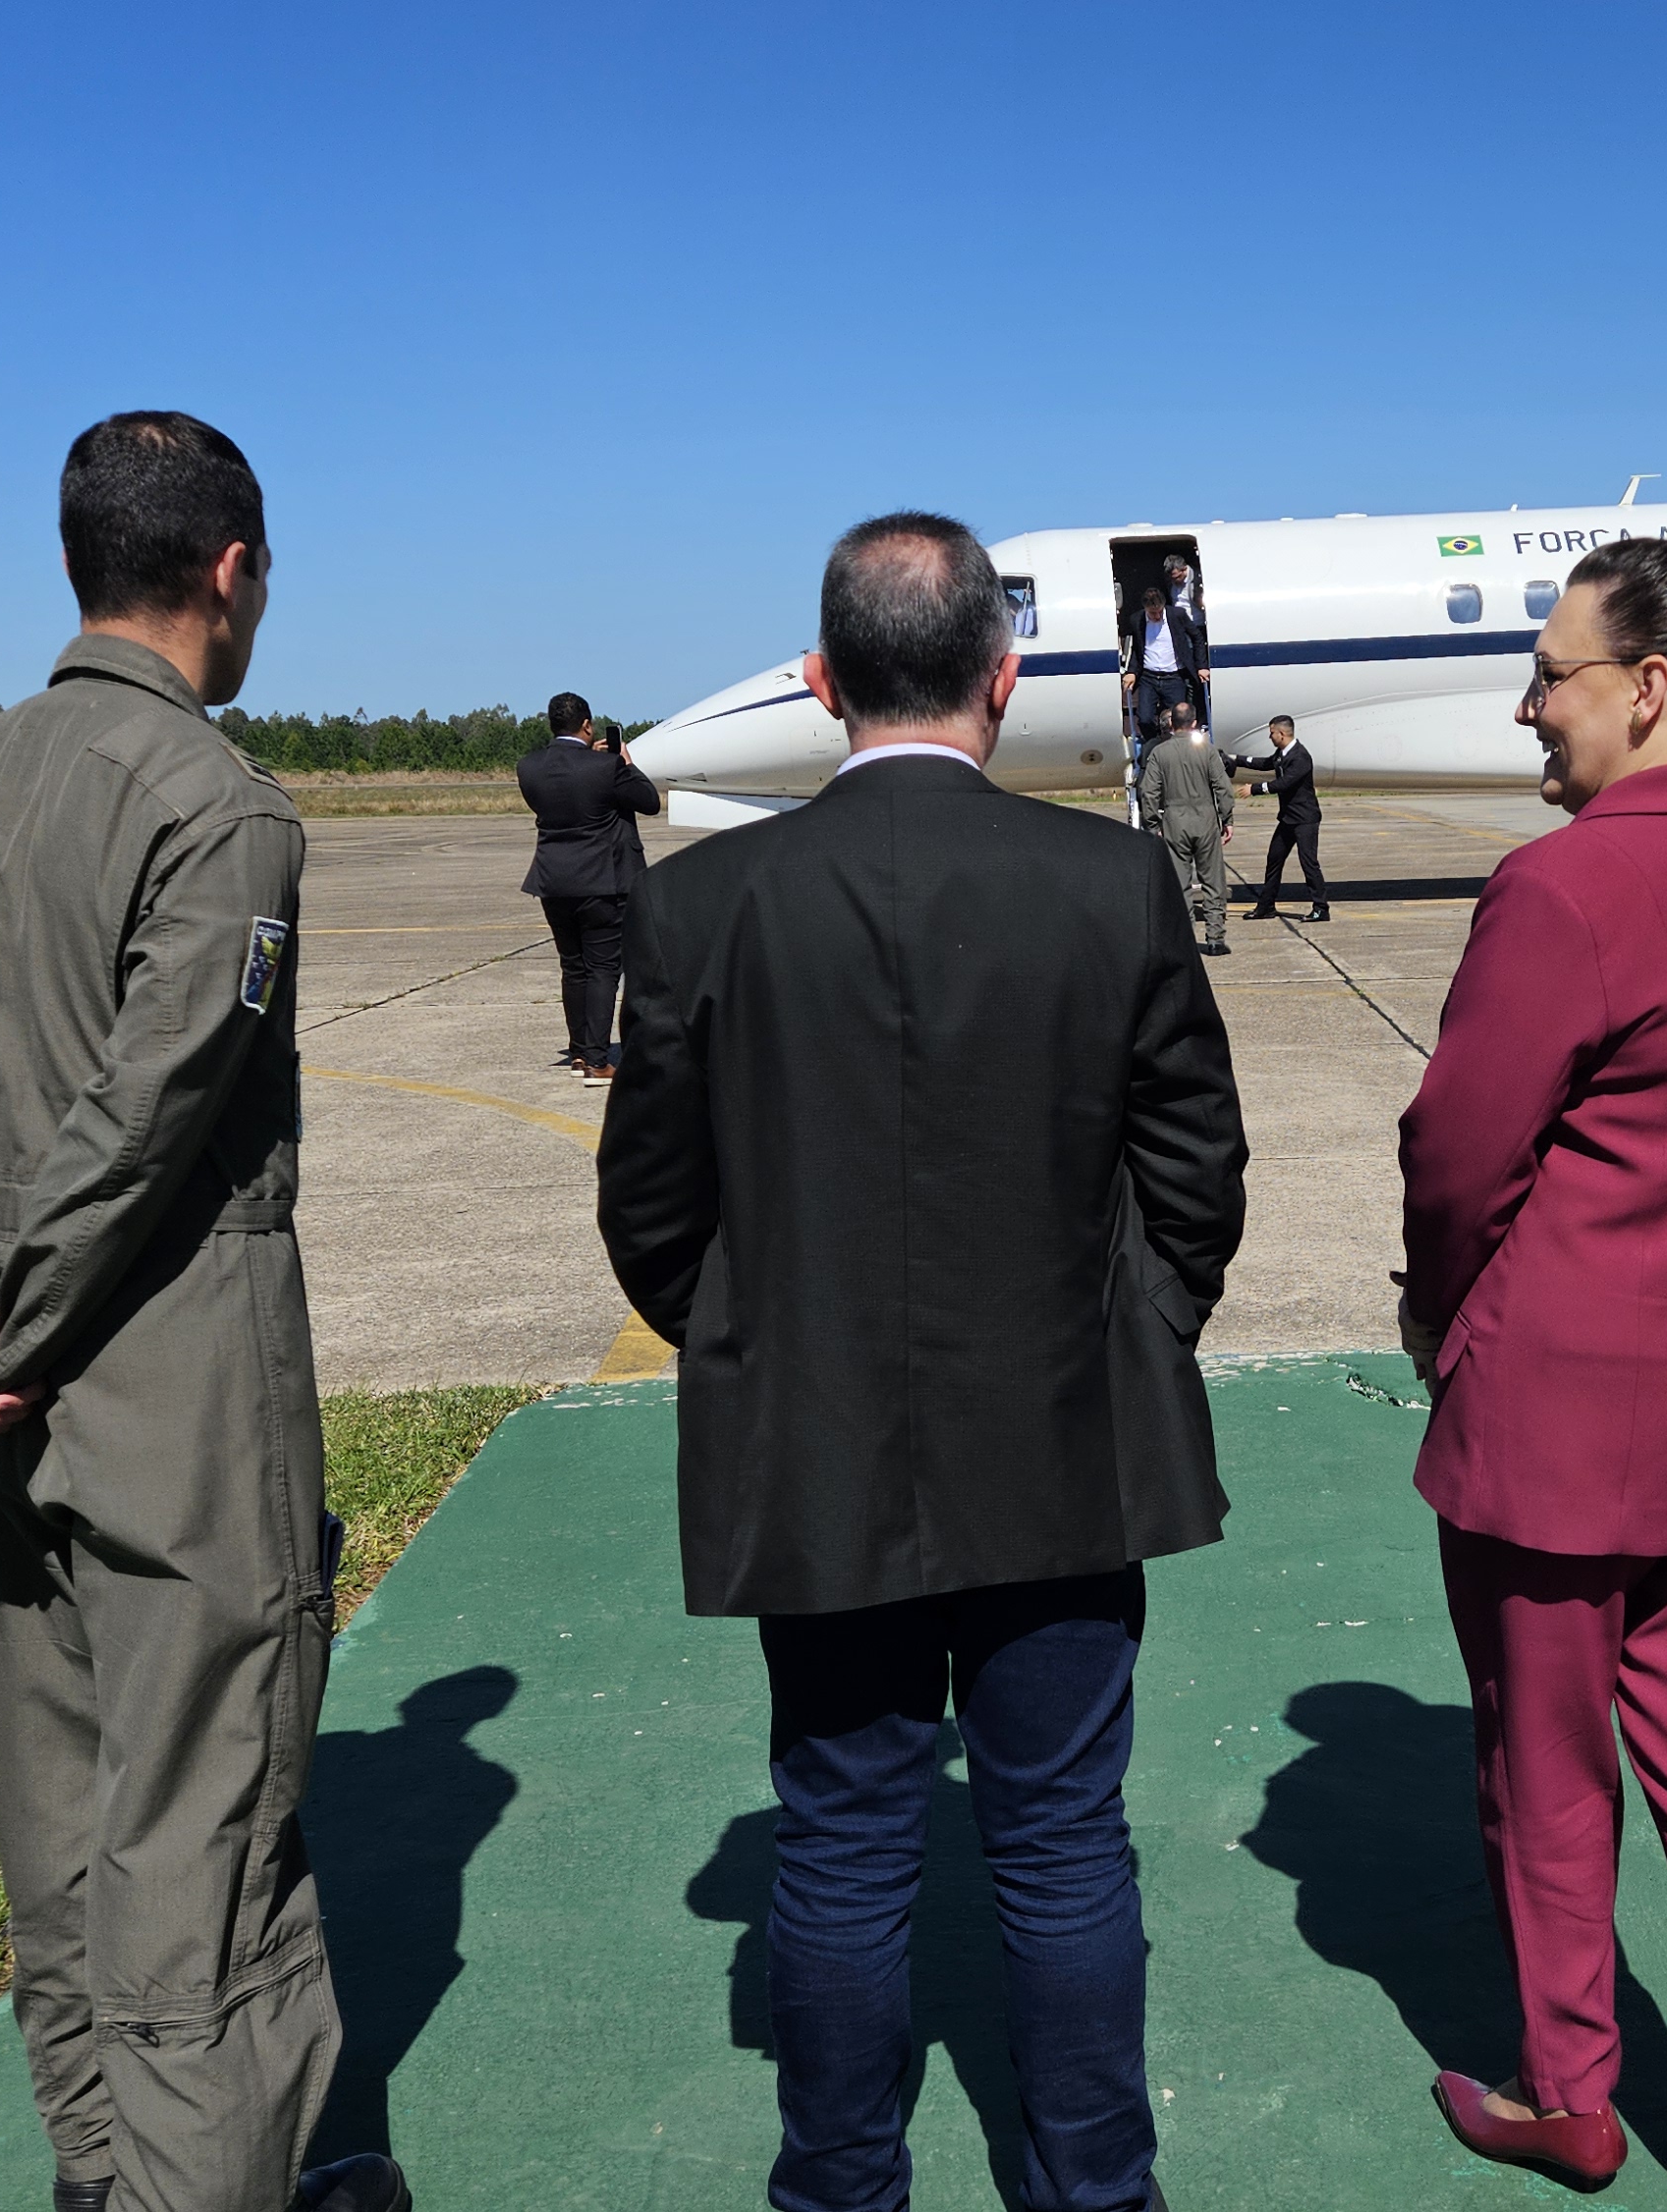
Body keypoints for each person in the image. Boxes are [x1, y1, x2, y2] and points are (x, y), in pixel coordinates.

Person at [595, 510, 1247, 2212]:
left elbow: (651, 1210)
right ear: (1001, 678)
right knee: (1062, 1840)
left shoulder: (703, 904)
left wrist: (762, 1344)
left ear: (823, 683)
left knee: (840, 1841)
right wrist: (1132, 1335)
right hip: (1063, 1441)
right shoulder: (1108, 884)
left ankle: (839, 2187)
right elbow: (1196, 1172)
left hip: (815, 1448)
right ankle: (1096, 2185)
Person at [0, 413, 404, 2212]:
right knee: (201, 1857)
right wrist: (15, 1335)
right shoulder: (221, 809)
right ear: (232, 569)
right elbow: (152, 1116)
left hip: (7, 1420)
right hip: (170, 1399)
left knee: (61, 1825)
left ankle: (103, 2174)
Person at [1394, 534, 1667, 2212]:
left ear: (1648, 686)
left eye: (1550, 674)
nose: (1530, 707)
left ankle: (1568, 2092)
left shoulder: (1563, 885)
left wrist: (1436, 1317)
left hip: (1560, 1414)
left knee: (1547, 1772)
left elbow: (1457, 1155)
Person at [516, 691, 662, 1084]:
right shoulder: (607, 767)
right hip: (602, 881)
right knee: (603, 968)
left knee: (573, 967)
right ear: (586, 725)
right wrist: (623, 763)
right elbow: (649, 801)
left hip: (552, 880)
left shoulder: (529, 768)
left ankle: (579, 1051)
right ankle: (598, 1061)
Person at [1138, 700, 1236, 957]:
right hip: (1205, 819)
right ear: (1193, 723)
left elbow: (1148, 792)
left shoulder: (1160, 753)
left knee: (1180, 884)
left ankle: (1186, 941)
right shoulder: (1207, 751)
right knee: (1213, 882)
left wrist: (1153, 824)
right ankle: (1215, 938)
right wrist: (1227, 819)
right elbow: (1223, 788)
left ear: (1172, 723)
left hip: (1174, 820)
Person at [1238, 712, 1328, 922]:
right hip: (1288, 819)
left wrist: (1255, 789)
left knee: (1309, 863)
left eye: (1272, 733)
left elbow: (1284, 783)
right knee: (1274, 859)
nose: (1270, 737)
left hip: (1305, 819)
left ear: (1281, 733)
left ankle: (1321, 908)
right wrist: (1236, 759)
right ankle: (1266, 907)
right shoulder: (1282, 753)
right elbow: (1265, 763)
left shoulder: (1300, 756)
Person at [1122, 552, 1205, 755]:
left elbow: (1196, 637)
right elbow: (1137, 649)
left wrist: (1201, 666)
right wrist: (1132, 672)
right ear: (1145, 609)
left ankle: (1178, 752)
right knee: (1145, 719)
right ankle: (1156, 748)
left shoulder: (1177, 615)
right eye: (1153, 613)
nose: (1157, 616)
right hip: (1149, 677)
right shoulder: (1137, 620)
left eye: (1159, 611)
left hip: (1173, 676)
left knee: (1177, 720)